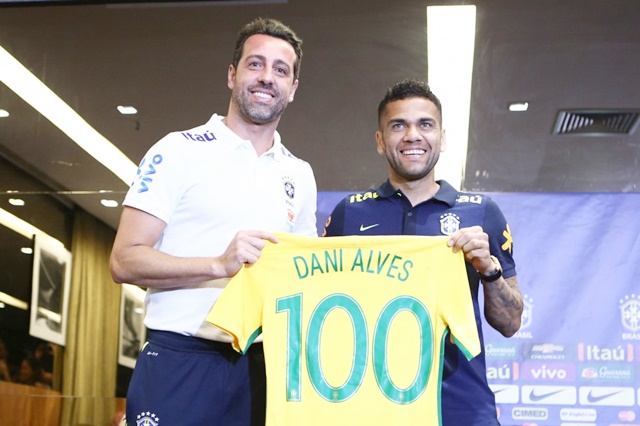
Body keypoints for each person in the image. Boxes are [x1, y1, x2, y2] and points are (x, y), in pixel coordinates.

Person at [109, 17, 317, 426]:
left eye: (280, 70)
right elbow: (123, 261)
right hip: (180, 360)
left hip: (263, 368)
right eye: (255, 64)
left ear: (292, 89)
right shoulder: (178, 150)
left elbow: (302, 277)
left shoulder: (300, 174)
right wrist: (218, 265)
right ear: (232, 75)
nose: (267, 77)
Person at [323, 79, 523, 425]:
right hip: (368, 404)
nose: (412, 135)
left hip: (460, 404)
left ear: (442, 138)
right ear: (380, 140)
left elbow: (510, 323)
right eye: (398, 125)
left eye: (425, 124)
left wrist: (489, 271)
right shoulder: (349, 214)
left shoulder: (481, 212)